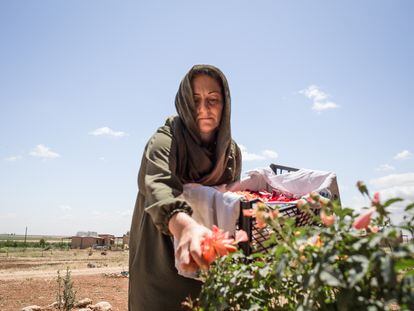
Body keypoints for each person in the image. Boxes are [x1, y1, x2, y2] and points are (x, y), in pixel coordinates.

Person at [128, 64, 242, 310]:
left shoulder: (231, 153)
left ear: (226, 104)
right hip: (161, 256)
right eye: (195, 100)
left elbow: (231, 202)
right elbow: (158, 186)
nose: (203, 109)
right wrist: (186, 227)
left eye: (213, 99)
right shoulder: (165, 140)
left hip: (209, 258)